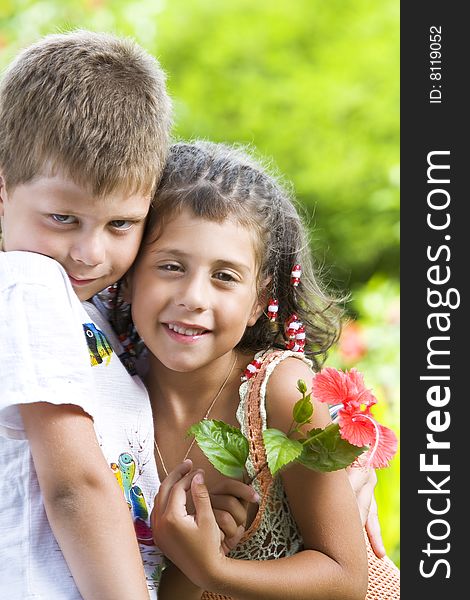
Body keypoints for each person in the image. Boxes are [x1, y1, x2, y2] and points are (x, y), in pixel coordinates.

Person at [124, 140, 376, 598]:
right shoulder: (112, 388)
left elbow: (346, 579)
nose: (194, 297)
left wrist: (214, 570)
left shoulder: (281, 393)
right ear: (130, 272)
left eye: (225, 276)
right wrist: (188, 567)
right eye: (171, 266)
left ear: (260, 299)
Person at [0, 29, 173, 599]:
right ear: (3, 190)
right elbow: (74, 484)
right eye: (62, 218)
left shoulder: (92, 306)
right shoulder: (27, 283)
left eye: (120, 224)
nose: (90, 253)